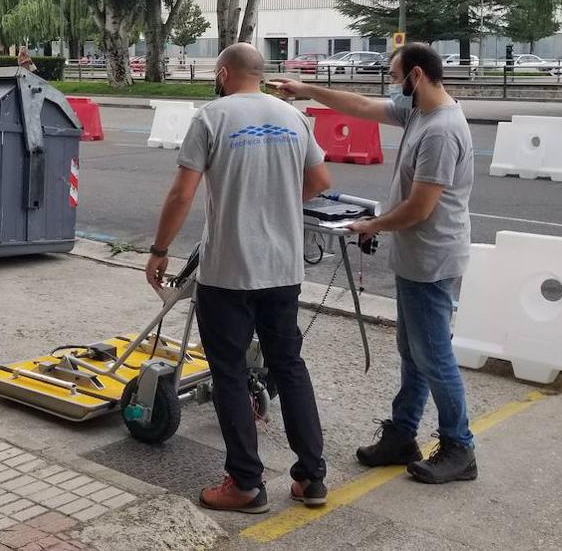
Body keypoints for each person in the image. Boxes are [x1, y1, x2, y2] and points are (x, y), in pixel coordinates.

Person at [271, 42, 476, 485]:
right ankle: (403, 433)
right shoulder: (419, 112)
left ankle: (460, 446)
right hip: (417, 255)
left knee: (433, 354)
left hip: (432, 257)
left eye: (394, 75)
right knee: (413, 352)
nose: (391, 84)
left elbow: (421, 207)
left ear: (416, 76)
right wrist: (306, 89)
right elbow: (361, 105)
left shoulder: (441, 129)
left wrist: (372, 225)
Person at [147, 43, 333, 514]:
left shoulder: (211, 117)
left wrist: (159, 250)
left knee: (229, 372)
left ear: (224, 73)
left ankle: (246, 484)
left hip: (229, 270)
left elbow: (181, 193)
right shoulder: (293, 118)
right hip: (283, 267)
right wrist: (277, 203)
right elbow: (319, 182)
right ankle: (311, 477)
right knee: (288, 365)